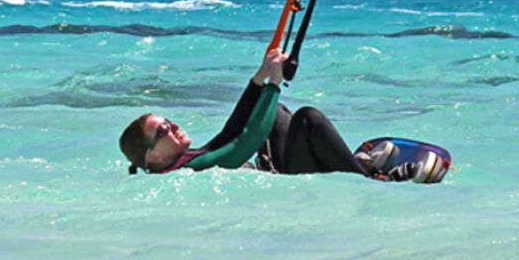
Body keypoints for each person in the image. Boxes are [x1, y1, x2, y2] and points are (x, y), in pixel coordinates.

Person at [119, 49, 419, 180]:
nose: (174, 127)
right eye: (162, 132)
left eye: (169, 122)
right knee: (308, 118)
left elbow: (229, 131)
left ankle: (351, 164)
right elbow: (245, 142)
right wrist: (274, 83)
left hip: (280, 168)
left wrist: (260, 76)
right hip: (287, 174)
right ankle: (367, 177)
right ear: (153, 159)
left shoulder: (187, 158)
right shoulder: (192, 169)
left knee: (274, 113)